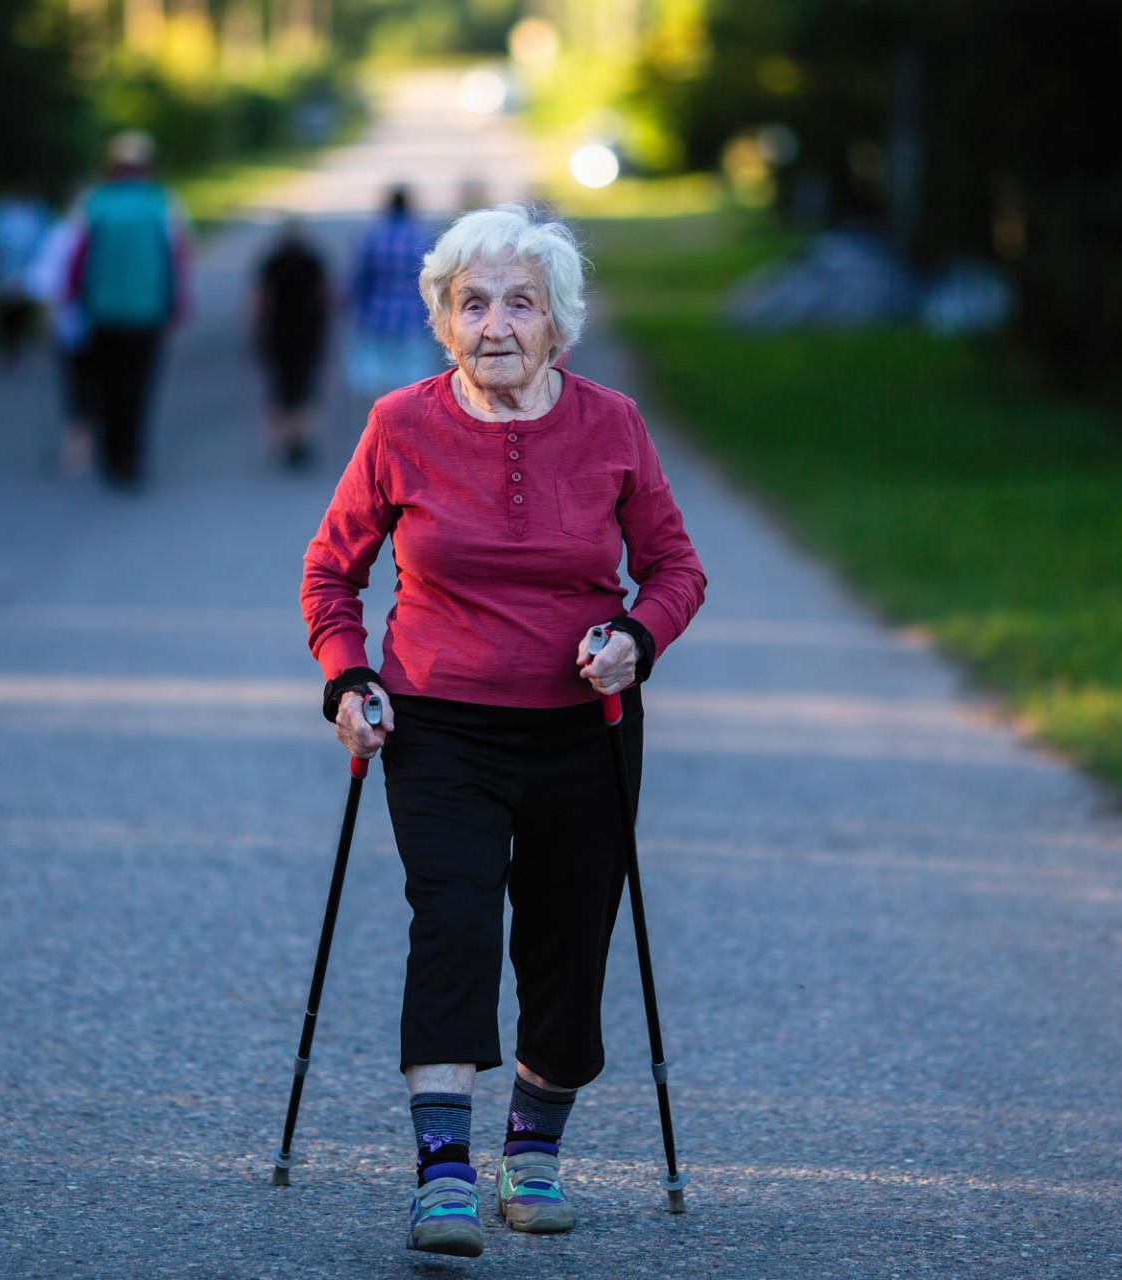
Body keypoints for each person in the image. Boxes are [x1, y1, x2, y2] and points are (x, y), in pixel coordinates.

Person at [300, 203, 707, 1257]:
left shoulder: (612, 423)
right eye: (472, 302)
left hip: (587, 727)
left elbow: (675, 568)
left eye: (519, 302)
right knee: (457, 923)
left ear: (557, 322)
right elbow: (331, 573)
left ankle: (532, 1150)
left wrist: (635, 637)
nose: (495, 324)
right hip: (439, 725)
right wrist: (348, 680)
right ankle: (442, 1171)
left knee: (566, 948)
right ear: (442, 319)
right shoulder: (398, 425)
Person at [66, 130, 191, 488]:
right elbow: (177, 256)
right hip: (148, 309)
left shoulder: (94, 201)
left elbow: (75, 259)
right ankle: (132, 457)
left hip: (101, 309)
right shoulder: (162, 201)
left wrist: (75, 301)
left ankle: (109, 457)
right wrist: (176, 303)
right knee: (138, 384)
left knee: (105, 383)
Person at [25, 191, 98, 475]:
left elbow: (42, 285)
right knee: (102, 381)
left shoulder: (59, 236)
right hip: (112, 323)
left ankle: (78, 443)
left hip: (70, 324)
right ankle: (97, 437)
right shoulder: (110, 233)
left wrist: (44, 325)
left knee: (76, 384)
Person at [251, 218, 330, 469]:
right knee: (305, 384)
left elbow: (261, 300)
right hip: (308, 331)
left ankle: (283, 437)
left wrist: (255, 330)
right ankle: (300, 436)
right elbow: (324, 297)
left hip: (277, 331)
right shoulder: (313, 262)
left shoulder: (272, 263)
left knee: (280, 385)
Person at [343, 186, 435, 397]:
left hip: (375, 320)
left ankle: (380, 427)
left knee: (376, 386)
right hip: (413, 321)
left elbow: (359, 280)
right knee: (411, 386)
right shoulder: (420, 236)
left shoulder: (372, 236)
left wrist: (353, 311)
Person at [0, 186, 52, 369]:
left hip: (23, 272)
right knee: (5, 312)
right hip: (5, 271)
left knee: (20, 312)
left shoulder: (35, 212)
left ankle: (17, 347)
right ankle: (8, 349)